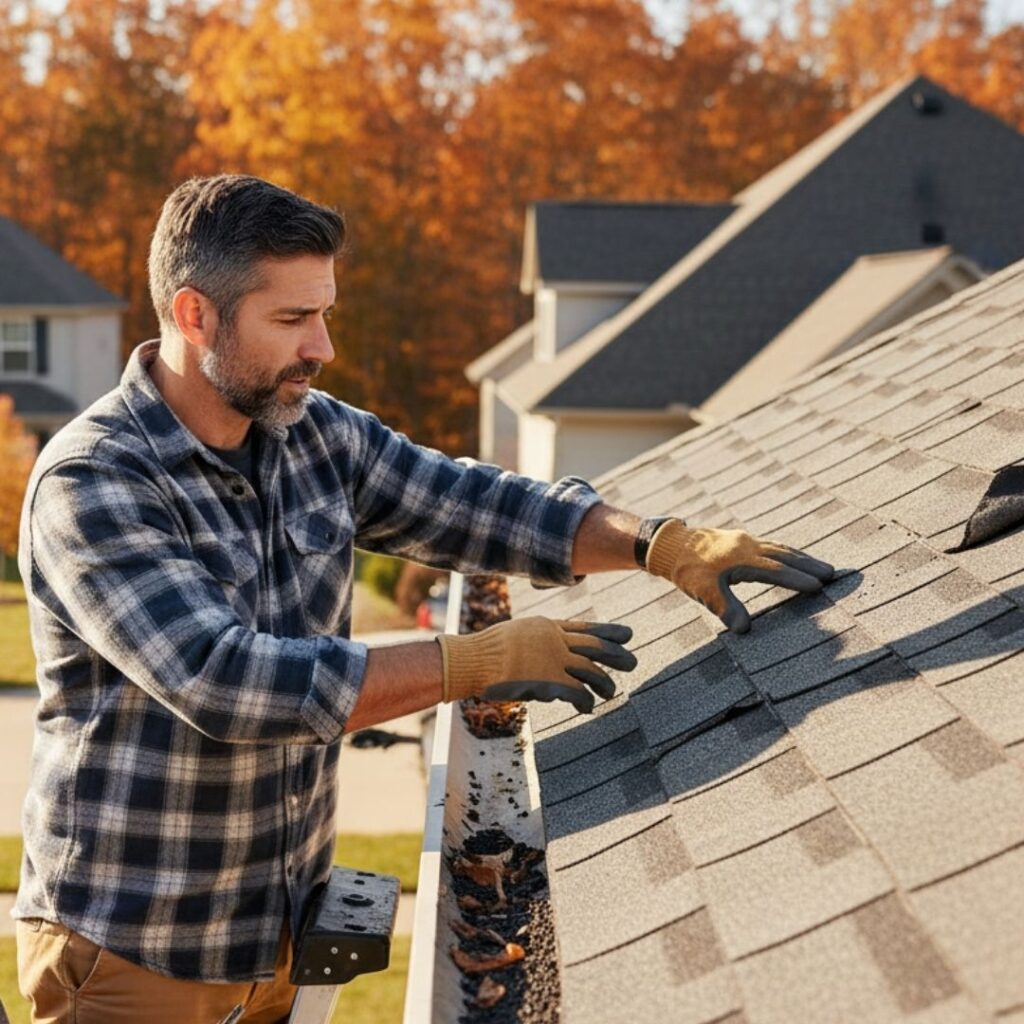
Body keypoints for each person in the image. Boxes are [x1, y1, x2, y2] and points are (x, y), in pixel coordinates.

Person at [15, 175, 833, 1022]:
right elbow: (221, 682)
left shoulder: (313, 436)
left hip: (276, 943)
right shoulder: (96, 480)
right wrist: (472, 663)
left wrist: (657, 542)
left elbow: (476, 504)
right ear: (193, 316)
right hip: (133, 953)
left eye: (324, 313)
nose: (321, 346)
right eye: (292, 320)